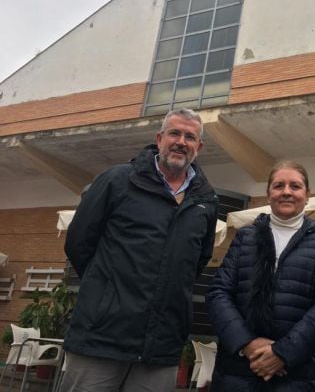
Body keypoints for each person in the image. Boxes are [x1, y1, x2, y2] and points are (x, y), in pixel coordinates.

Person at [61, 108, 218, 392]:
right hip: (101, 337)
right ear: (159, 138)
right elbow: (78, 243)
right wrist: (107, 291)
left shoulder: (206, 201)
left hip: (161, 346)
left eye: (190, 136)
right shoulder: (117, 180)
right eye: (174, 133)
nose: (181, 141)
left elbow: (197, 262)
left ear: (199, 147)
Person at [207, 161, 315, 391]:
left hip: (298, 372)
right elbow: (219, 292)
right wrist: (248, 344)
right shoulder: (245, 237)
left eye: (295, 186)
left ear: (307, 195)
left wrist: (283, 353)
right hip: (238, 370)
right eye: (279, 185)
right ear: (269, 194)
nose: (286, 191)